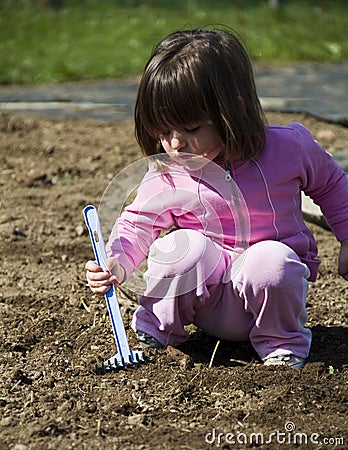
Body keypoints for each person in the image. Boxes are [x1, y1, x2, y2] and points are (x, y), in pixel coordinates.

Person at [85, 28, 348, 369]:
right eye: (163, 132)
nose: (175, 144)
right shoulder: (171, 171)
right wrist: (115, 262)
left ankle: (282, 343)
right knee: (181, 248)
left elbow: (332, 184)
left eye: (191, 129)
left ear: (233, 110)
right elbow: (138, 223)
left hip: (268, 299)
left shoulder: (289, 148)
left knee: (271, 260)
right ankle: (158, 329)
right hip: (204, 304)